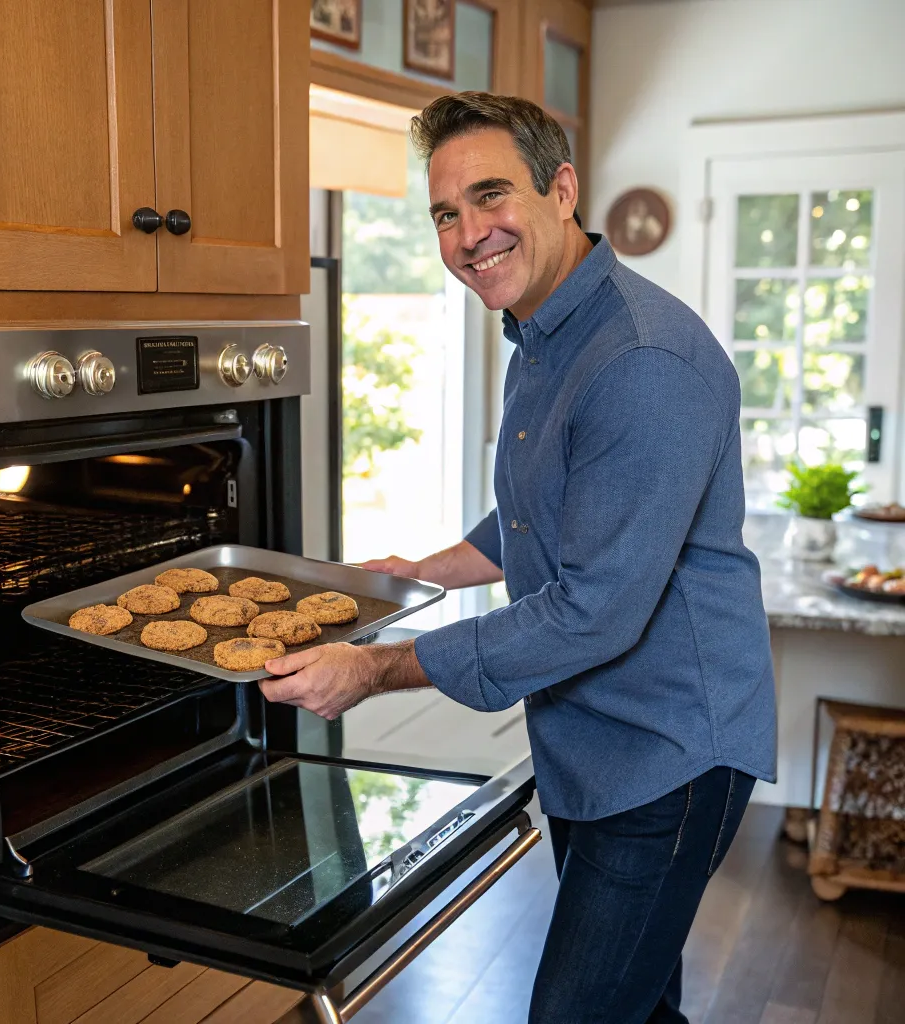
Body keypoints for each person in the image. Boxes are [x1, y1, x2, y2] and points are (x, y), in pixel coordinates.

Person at [261, 92, 777, 1024]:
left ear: (562, 188)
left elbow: (594, 609)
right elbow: (541, 513)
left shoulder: (641, 360)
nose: (467, 236)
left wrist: (375, 667)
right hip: (589, 738)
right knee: (639, 1010)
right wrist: (416, 572)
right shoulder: (544, 329)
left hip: (669, 751)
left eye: (489, 198)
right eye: (445, 215)